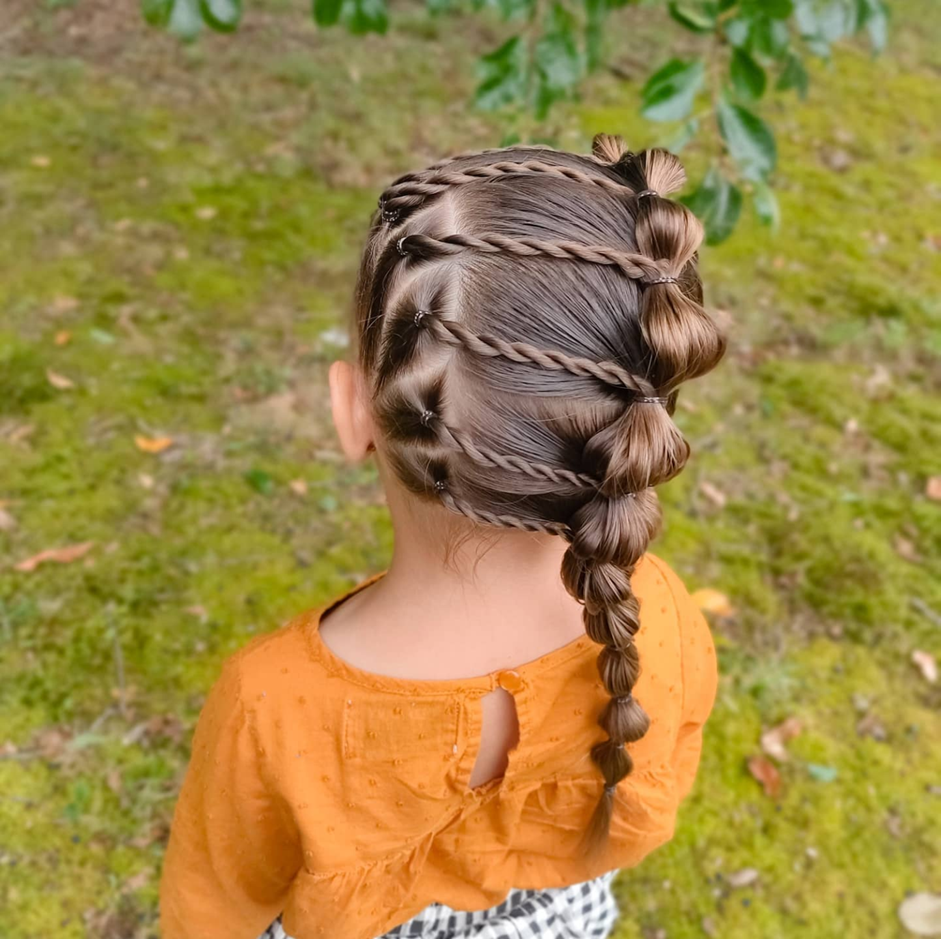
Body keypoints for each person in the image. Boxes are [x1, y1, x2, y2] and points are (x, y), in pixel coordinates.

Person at [159, 134, 725, 939]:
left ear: (352, 410)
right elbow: (651, 800)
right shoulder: (657, 614)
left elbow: (208, 914)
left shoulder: (273, 704)